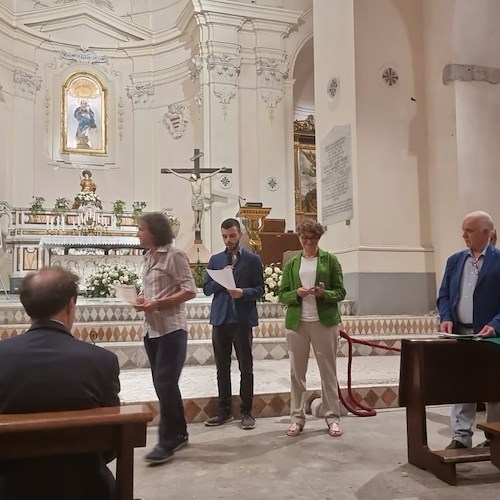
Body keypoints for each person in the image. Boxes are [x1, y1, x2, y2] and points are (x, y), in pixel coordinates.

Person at [0, 267, 120, 500]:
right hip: (87, 488)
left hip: (12, 488)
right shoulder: (102, 361)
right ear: (70, 305)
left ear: (26, 307)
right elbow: (110, 445)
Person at [134, 212, 197, 464]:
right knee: (166, 386)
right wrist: (140, 297)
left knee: (164, 384)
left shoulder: (175, 255)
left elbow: (189, 290)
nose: (138, 233)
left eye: (141, 229)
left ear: (155, 231)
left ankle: (166, 441)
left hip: (171, 330)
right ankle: (180, 432)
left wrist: (157, 303)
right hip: (152, 331)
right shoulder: (148, 257)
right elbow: (150, 288)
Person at [437, 210, 500, 449]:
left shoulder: (498, 260)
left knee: (494, 388)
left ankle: (494, 438)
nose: (463, 235)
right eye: (463, 230)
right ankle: (461, 436)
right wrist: (446, 317)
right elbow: (444, 295)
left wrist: (495, 325)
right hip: (460, 334)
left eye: (469, 230)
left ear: (486, 232)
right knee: (461, 384)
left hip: (491, 337)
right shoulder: (455, 260)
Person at [278, 219, 346, 438]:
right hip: (298, 322)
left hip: (323, 322)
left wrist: (324, 294)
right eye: (304, 238)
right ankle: (297, 418)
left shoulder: (330, 261)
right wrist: (295, 293)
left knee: (328, 371)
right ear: (299, 238)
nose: (308, 242)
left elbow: (340, 292)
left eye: (312, 238)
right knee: (297, 373)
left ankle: (332, 418)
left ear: (319, 239)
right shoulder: (291, 264)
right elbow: (282, 295)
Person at [203, 218, 264, 429]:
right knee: (222, 368)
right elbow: (207, 289)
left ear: (241, 234)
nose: (228, 240)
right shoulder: (215, 260)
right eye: (224, 237)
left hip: (242, 320)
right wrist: (222, 281)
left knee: (246, 368)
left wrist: (242, 292)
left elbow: (260, 290)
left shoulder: (253, 260)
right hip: (220, 319)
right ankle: (224, 411)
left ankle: (247, 412)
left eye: (232, 236)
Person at [166, 167, 226, 239]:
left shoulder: (200, 180)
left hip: (199, 197)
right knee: (196, 211)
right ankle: (196, 224)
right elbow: (181, 176)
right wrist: (172, 171)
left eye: (193, 174)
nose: (192, 176)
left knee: (200, 210)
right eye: (192, 175)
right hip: (195, 197)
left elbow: (210, 175)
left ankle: (198, 223)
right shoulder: (191, 181)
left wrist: (219, 170)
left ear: (196, 175)